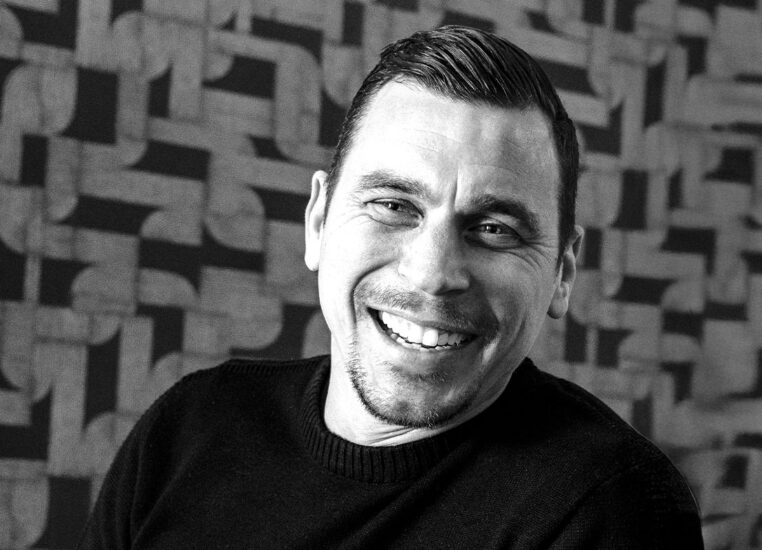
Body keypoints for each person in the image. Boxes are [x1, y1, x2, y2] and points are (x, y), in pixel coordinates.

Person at [78, 26, 703, 548]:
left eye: (494, 229)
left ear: (563, 272)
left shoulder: (611, 508)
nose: (433, 274)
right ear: (319, 221)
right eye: (394, 205)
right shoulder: (189, 430)